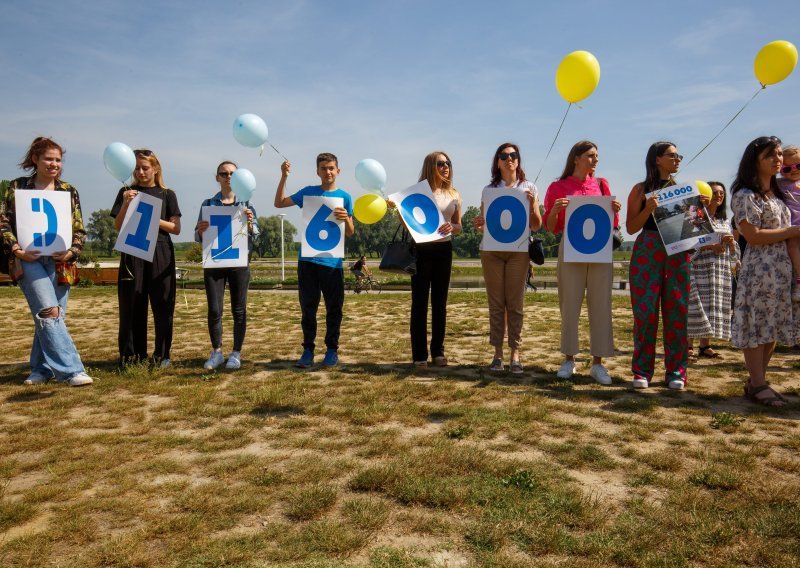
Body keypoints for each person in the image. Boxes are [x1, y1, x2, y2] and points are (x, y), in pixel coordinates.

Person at [0, 137, 93, 386]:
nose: (54, 164)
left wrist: (71, 252)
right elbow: (3, 223)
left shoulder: (69, 191)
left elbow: (79, 230)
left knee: (52, 315)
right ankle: (72, 371)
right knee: (49, 311)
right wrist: (17, 249)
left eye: (58, 160)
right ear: (35, 160)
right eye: (49, 159)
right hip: (27, 260)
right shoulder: (16, 187)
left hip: (61, 262)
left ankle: (41, 369)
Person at [543, 140, 621, 385]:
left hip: (599, 249)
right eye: (590, 155)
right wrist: (555, 210)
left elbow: (614, 221)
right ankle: (569, 359)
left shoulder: (601, 184)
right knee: (569, 304)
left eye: (597, 155)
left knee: (601, 305)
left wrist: (615, 208)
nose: (595, 159)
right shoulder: (558, 186)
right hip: (571, 248)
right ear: (576, 158)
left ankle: (598, 364)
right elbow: (551, 226)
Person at [731, 136, 800, 407]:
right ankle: (758, 383)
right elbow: (753, 235)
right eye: (770, 155)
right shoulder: (745, 195)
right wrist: (792, 231)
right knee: (757, 326)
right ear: (754, 162)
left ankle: (757, 380)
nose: (778, 160)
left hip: (781, 268)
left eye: (780, 154)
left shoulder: (780, 194)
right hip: (760, 268)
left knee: (772, 326)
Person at [274, 153, 354, 368]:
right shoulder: (308, 193)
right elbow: (279, 203)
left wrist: (346, 218)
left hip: (332, 263)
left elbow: (351, 232)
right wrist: (284, 176)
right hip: (308, 262)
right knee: (308, 308)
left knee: (334, 309)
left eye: (331, 168)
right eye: (323, 168)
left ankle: (331, 350)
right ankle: (308, 350)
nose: (327, 172)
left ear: (338, 171)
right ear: (317, 171)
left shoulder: (345, 197)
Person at [625, 141, 691, 389]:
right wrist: (648, 208)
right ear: (657, 159)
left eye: (678, 155)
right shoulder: (641, 189)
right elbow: (631, 227)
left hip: (677, 249)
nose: (677, 160)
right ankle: (642, 371)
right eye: (672, 155)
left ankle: (676, 371)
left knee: (677, 311)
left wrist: (701, 210)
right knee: (645, 312)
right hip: (648, 249)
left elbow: (691, 229)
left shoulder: (683, 190)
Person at [473, 143, 541, 374]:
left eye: (513, 155)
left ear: (518, 161)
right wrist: (479, 223)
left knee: (515, 303)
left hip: (519, 252)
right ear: (498, 162)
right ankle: (497, 355)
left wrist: (532, 206)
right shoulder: (488, 190)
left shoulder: (529, 187)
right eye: (504, 156)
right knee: (496, 303)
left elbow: (537, 225)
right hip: (491, 252)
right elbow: (483, 224)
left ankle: (515, 353)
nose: (509, 159)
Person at [111, 149, 181, 367]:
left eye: (145, 168)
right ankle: (133, 356)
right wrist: (125, 204)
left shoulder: (167, 194)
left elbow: (176, 228)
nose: (141, 172)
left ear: (155, 169)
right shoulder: (126, 192)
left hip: (160, 250)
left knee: (162, 305)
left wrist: (152, 217)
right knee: (132, 304)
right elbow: (119, 226)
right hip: (133, 249)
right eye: (137, 168)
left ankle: (162, 355)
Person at [393, 151, 462, 368]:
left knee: (440, 303)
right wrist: (399, 212)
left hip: (444, 250)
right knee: (419, 303)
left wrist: (453, 227)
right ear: (430, 166)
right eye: (441, 163)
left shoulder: (453, 194)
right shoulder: (416, 193)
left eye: (448, 163)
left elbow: (459, 227)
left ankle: (438, 352)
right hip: (421, 251)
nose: (446, 167)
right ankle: (419, 355)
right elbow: (409, 224)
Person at [194, 161, 258, 370]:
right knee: (214, 310)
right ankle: (217, 352)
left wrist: (250, 224)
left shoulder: (246, 205)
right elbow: (197, 236)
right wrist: (201, 230)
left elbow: (256, 238)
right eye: (224, 173)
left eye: (232, 173)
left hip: (239, 264)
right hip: (214, 263)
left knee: (239, 310)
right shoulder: (208, 204)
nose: (228, 177)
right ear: (217, 177)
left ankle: (236, 353)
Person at [687, 181, 738, 358]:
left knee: (713, 305)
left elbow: (733, 246)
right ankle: (688, 345)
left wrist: (731, 244)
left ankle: (705, 345)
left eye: (721, 193)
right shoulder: (696, 218)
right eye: (715, 192)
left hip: (719, 269)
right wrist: (709, 247)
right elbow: (689, 244)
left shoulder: (723, 220)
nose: (718, 196)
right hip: (700, 267)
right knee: (696, 305)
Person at [777, 145, 800, 301]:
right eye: (787, 169)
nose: (793, 170)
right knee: (793, 247)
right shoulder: (778, 184)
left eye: (798, 166)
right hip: (791, 226)